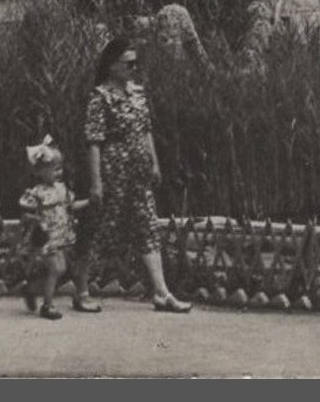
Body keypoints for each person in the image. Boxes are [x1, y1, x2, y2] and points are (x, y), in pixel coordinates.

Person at [68, 37, 192, 314]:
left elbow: (146, 129)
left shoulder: (137, 93)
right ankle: (82, 291)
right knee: (98, 229)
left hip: (139, 174)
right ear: (113, 66)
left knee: (148, 227)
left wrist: (154, 163)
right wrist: (97, 183)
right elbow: (94, 141)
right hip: (114, 173)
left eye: (136, 63)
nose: (134, 69)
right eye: (129, 63)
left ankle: (162, 293)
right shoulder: (100, 97)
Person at [18, 138, 90, 320]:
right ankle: (47, 305)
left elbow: (71, 205)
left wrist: (89, 202)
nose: (59, 172)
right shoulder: (37, 193)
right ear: (40, 171)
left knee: (61, 269)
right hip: (46, 237)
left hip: (61, 236)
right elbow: (25, 214)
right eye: (54, 169)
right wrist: (37, 219)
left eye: (60, 168)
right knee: (55, 269)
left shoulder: (61, 189)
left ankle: (31, 289)